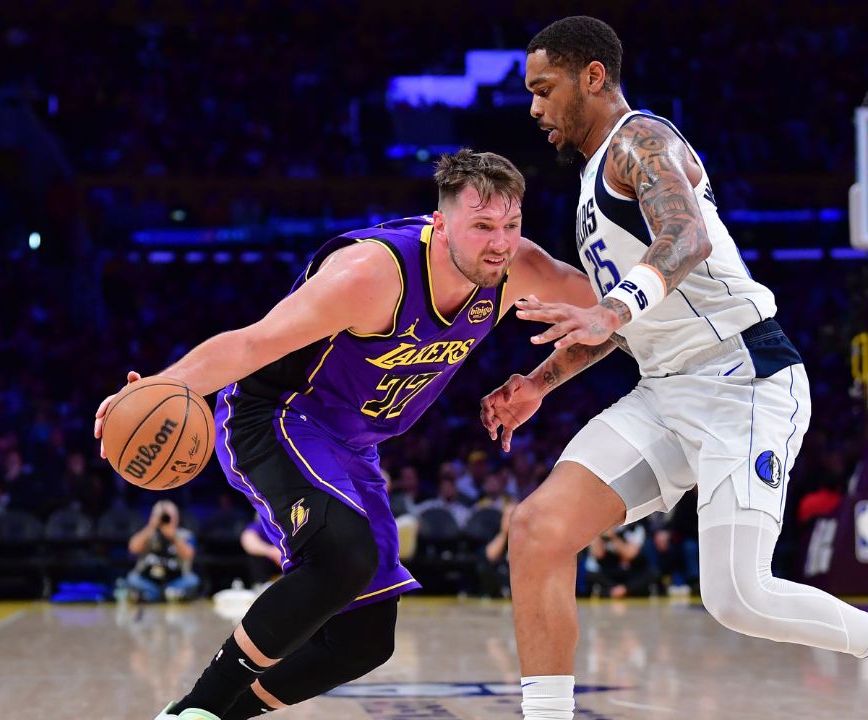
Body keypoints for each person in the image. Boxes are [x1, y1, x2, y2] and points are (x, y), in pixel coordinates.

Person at [479, 16, 868, 720]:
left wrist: (609, 309)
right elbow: (624, 321)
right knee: (538, 529)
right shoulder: (588, 183)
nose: (534, 107)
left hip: (741, 376)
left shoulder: (640, 140)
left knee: (739, 597)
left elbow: (686, 237)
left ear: (593, 77)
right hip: (665, 391)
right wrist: (541, 383)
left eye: (544, 89)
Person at [93, 149, 598, 720]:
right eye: (482, 226)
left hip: (352, 444)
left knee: (365, 641)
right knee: (342, 557)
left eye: (511, 225)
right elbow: (252, 343)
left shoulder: (519, 268)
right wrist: (161, 385)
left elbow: (609, 314)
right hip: (276, 414)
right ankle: (197, 713)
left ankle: (210, 713)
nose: (500, 243)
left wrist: (541, 382)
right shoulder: (372, 274)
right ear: (440, 224)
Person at [126, 500, 199, 602]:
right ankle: (160, 595)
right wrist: (151, 526)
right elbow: (133, 549)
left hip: (174, 580)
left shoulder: (185, 535)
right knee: (132, 579)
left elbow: (189, 555)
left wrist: (174, 537)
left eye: (168, 517)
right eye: (162, 517)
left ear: (176, 518)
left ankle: (157, 595)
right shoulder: (148, 533)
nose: (165, 520)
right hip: (149, 580)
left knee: (192, 580)